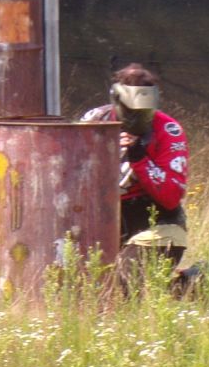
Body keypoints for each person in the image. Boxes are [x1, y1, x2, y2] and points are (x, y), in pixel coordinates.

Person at [81, 63, 192, 291]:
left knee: (123, 285)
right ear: (117, 101)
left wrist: (140, 158)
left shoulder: (168, 130)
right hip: (105, 222)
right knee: (79, 286)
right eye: (131, 112)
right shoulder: (95, 121)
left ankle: (187, 287)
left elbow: (171, 197)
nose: (137, 119)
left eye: (144, 112)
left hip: (158, 224)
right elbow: (71, 169)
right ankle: (185, 288)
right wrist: (106, 151)